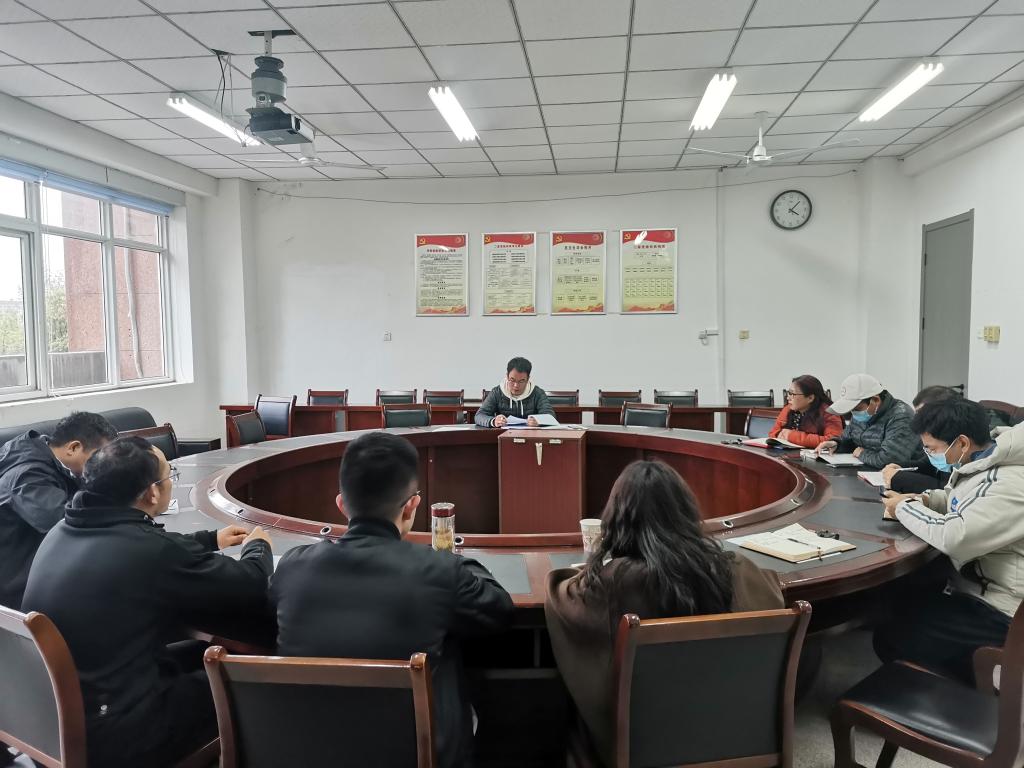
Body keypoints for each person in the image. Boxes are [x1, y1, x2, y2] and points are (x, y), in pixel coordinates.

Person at [22, 437, 273, 768]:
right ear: (152, 493)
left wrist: (209, 539)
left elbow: (144, 545)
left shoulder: (63, 529)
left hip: (56, 722)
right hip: (119, 735)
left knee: (199, 654)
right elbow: (250, 584)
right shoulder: (148, 551)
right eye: (170, 476)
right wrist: (258, 546)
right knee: (250, 680)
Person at [270, 432, 514, 768]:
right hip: (416, 754)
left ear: (341, 504)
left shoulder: (292, 567)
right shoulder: (438, 570)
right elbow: (500, 611)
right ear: (412, 505)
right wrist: (452, 560)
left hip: (307, 752)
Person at [545, 460, 784, 766]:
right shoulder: (735, 568)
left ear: (618, 519)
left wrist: (590, 569)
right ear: (685, 512)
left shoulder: (615, 583)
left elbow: (558, 596)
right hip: (734, 739)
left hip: (646, 746)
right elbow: (773, 590)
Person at [875, 399, 1024, 682]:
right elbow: (962, 500)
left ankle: (980, 688)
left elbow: (955, 536)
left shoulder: (1008, 481)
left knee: (892, 636)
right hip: (983, 589)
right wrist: (925, 500)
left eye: (931, 449)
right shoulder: (985, 462)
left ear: (962, 443)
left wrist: (904, 507)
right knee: (905, 602)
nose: (928, 454)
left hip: (1006, 614)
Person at [0, 411, 117, 610]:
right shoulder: (27, 475)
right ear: (73, 447)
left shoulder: (49, 457)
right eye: (99, 459)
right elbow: (67, 523)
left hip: (46, 569)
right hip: (20, 590)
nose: (102, 467)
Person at [815, 373, 923, 469]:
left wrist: (862, 453)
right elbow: (849, 440)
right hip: (866, 472)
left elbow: (890, 460)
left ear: (875, 400)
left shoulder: (901, 416)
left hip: (900, 479)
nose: (854, 413)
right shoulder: (864, 413)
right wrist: (836, 444)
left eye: (856, 408)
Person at [883, 385, 962, 493]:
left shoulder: (962, 441)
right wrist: (900, 467)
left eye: (923, 414)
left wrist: (900, 478)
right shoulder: (933, 435)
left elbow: (951, 491)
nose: (918, 420)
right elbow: (927, 464)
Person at [475, 356, 556, 428]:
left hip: (530, 436)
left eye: (521, 381)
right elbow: (479, 416)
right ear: (507, 376)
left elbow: (550, 416)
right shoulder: (497, 392)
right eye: (512, 380)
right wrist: (493, 421)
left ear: (528, 379)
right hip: (503, 435)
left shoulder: (537, 393)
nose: (516, 385)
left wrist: (539, 421)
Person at [768, 375, 843, 448]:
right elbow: (773, 433)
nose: (788, 398)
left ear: (810, 398)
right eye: (789, 393)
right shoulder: (789, 409)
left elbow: (832, 441)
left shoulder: (829, 412)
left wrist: (792, 436)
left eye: (792, 394)